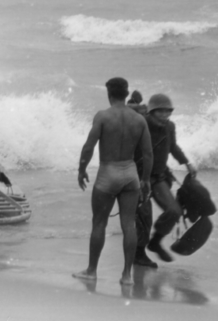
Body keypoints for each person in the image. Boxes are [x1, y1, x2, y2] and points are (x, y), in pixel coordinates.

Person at [75, 77, 152, 286]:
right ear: (127, 94)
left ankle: (91, 271)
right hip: (130, 173)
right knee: (129, 224)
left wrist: (81, 170)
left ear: (109, 94)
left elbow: (89, 147)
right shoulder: (139, 120)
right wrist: (145, 180)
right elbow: (148, 153)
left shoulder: (103, 116)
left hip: (108, 172)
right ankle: (127, 276)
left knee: (99, 223)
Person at [132, 94, 195, 266]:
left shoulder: (170, 127)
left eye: (168, 111)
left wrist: (186, 162)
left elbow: (173, 147)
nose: (165, 114)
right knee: (145, 216)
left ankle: (155, 242)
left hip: (159, 176)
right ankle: (138, 254)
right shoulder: (140, 123)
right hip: (138, 178)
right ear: (151, 112)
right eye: (160, 111)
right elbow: (122, 113)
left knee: (174, 211)